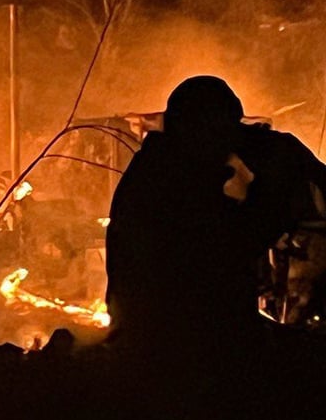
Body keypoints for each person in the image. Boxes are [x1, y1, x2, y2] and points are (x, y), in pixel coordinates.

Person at [105, 76, 271, 344]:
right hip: (174, 340)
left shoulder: (163, 169)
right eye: (224, 128)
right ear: (198, 128)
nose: (232, 138)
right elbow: (220, 252)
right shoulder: (170, 180)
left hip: (161, 333)